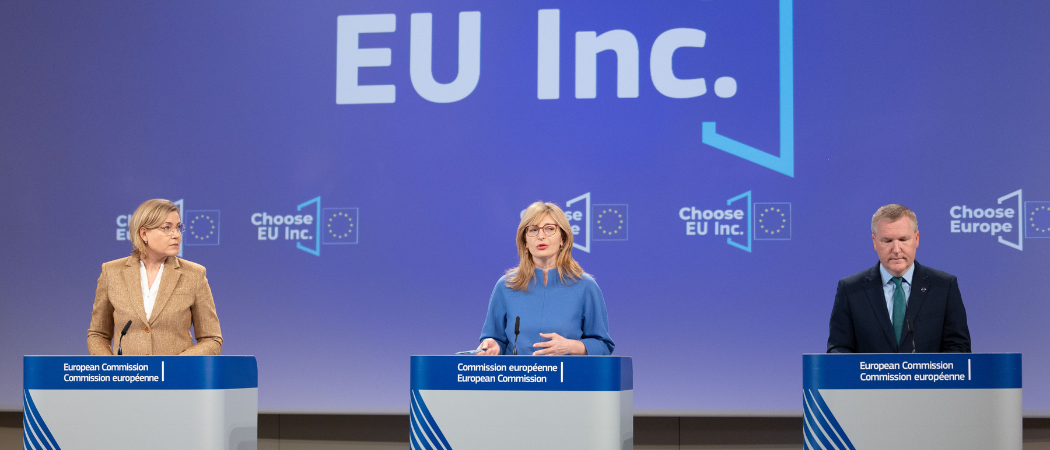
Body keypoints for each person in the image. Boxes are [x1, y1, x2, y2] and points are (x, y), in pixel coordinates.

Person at [827, 204, 970, 353]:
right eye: (887, 241)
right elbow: (838, 348)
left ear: (916, 239)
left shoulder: (944, 286)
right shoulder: (850, 289)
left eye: (903, 239)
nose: (896, 249)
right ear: (874, 242)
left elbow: (959, 348)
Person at [476, 202, 614, 356]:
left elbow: (603, 346)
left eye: (549, 229)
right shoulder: (506, 286)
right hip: (518, 372)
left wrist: (570, 346)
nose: (541, 236)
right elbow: (495, 338)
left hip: (567, 371)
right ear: (525, 241)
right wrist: (493, 345)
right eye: (533, 230)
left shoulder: (585, 286)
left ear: (563, 238)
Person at [87, 199, 222, 355]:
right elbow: (98, 334)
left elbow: (212, 339)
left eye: (178, 227)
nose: (176, 235)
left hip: (175, 370)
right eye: (167, 228)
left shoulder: (194, 275)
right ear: (144, 233)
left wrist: (178, 363)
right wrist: (111, 366)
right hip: (128, 371)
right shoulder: (111, 272)